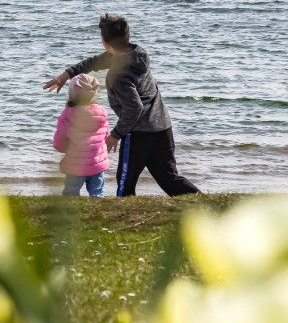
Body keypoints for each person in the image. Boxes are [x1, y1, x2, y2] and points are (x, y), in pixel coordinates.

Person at [43, 15, 200, 198]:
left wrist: (115, 135)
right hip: (162, 125)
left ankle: (123, 216)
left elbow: (134, 108)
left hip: (139, 132)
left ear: (105, 43)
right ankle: (202, 202)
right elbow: (93, 62)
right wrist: (66, 75)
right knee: (168, 178)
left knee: (125, 183)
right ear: (127, 36)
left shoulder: (118, 74)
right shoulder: (136, 54)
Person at [52, 73, 110, 197]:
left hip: (75, 165)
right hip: (97, 163)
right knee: (97, 192)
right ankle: (96, 212)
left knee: (71, 193)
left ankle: (70, 213)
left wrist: (65, 149)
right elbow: (105, 135)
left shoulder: (67, 115)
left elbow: (59, 142)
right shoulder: (102, 112)